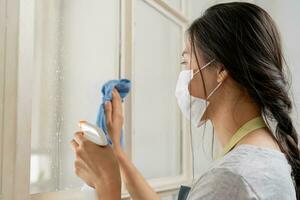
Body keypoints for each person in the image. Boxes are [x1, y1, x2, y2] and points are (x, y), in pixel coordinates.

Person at [70, 2, 299, 200]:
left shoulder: (231, 179)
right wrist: (118, 154)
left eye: (186, 60)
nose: (183, 73)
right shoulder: (262, 153)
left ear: (220, 69)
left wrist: (106, 183)